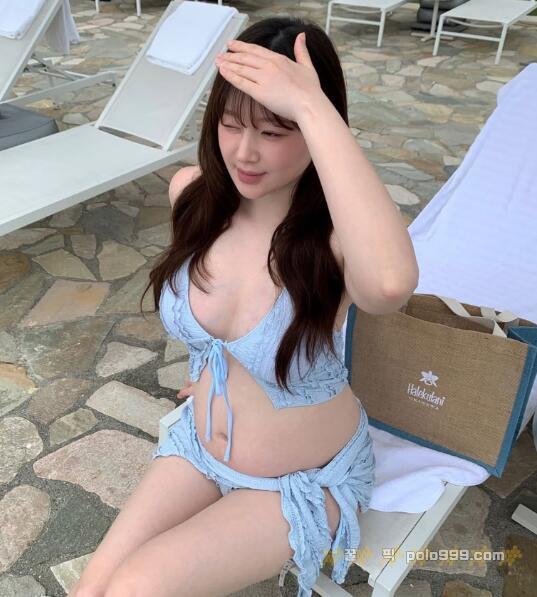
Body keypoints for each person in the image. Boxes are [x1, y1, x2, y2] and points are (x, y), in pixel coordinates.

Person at [69, 15, 419, 597]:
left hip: (303, 479)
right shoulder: (193, 194)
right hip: (198, 448)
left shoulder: (336, 239)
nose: (245, 152)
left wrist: (312, 106)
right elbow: (214, 319)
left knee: (137, 587)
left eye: (275, 132)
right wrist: (215, 370)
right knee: (93, 587)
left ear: (319, 127)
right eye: (230, 125)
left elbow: (388, 285)